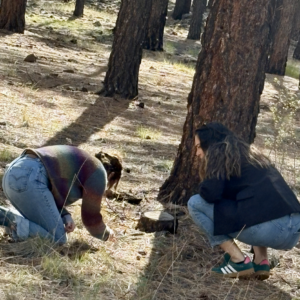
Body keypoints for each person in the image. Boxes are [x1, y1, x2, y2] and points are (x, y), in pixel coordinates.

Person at [188, 122, 300, 280]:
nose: (197, 153)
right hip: (294, 231)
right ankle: (261, 262)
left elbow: (210, 194)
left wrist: (205, 181)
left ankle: (238, 261)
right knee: (253, 203)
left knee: (194, 203)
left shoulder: (218, 153)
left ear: (210, 145)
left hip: (273, 231)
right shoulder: (252, 155)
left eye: (199, 147)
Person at [1, 145, 114, 244]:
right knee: (58, 238)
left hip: (13, 172)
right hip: (29, 179)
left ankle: (8, 220)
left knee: (43, 228)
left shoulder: (85, 162)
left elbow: (48, 195)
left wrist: (65, 216)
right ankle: (4, 217)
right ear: (112, 174)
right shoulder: (98, 173)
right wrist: (107, 235)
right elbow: (90, 219)